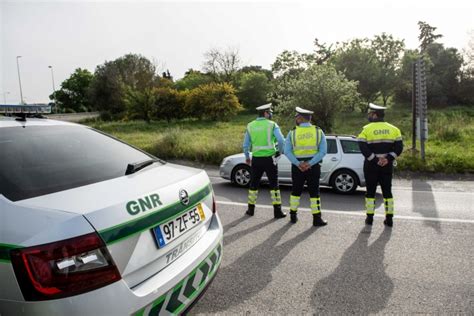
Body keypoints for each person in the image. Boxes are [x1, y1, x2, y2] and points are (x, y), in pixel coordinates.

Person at [357, 103, 403, 227]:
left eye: (371, 114)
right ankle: (389, 219)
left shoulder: (366, 129)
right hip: (387, 166)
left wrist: (375, 159)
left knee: (370, 192)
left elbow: (362, 146)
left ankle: (370, 218)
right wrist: (387, 159)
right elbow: (399, 147)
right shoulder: (394, 129)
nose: (369, 116)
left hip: (371, 166)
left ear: (375, 115)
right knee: (387, 192)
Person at [284, 107, 328, 226]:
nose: (295, 119)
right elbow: (323, 151)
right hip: (313, 167)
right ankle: (317, 218)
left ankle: (293, 216)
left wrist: (299, 164)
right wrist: (310, 163)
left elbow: (287, 151)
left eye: (296, 117)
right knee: (314, 192)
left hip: (297, 167)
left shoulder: (292, 132)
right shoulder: (318, 131)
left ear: (300, 118)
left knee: (295, 191)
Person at [243, 103, 287, 218]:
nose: (271, 114)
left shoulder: (250, 125)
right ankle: (277, 211)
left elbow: (246, 144)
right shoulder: (272, 125)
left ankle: (250, 210)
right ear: (266, 113)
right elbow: (281, 141)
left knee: (253, 184)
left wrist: (247, 157)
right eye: (270, 112)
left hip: (256, 160)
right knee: (274, 185)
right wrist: (279, 152)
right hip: (270, 159)